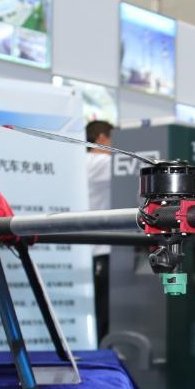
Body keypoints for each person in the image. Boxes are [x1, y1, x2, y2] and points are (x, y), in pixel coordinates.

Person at [86, 120, 114, 344]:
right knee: (103, 311)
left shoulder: (81, 162)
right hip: (100, 247)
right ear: (102, 138)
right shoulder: (101, 162)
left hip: (89, 247)